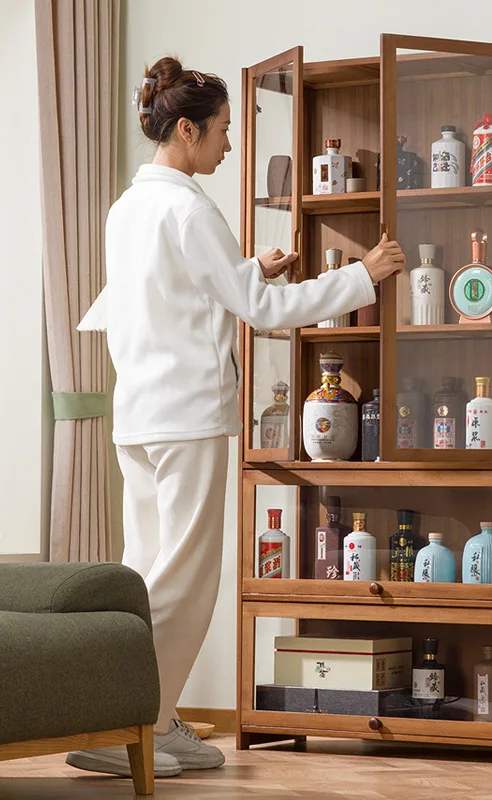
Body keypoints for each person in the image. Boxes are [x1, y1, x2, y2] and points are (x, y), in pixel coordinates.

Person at [66, 57, 404, 779]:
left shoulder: (127, 210)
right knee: (182, 582)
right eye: (221, 132)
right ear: (185, 130)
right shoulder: (189, 207)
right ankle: (123, 722)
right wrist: (360, 276)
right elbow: (263, 313)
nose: (227, 146)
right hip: (185, 417)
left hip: (141, 416)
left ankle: (145, 718)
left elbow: (170, 296)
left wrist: (250, 269)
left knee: (145, 574)